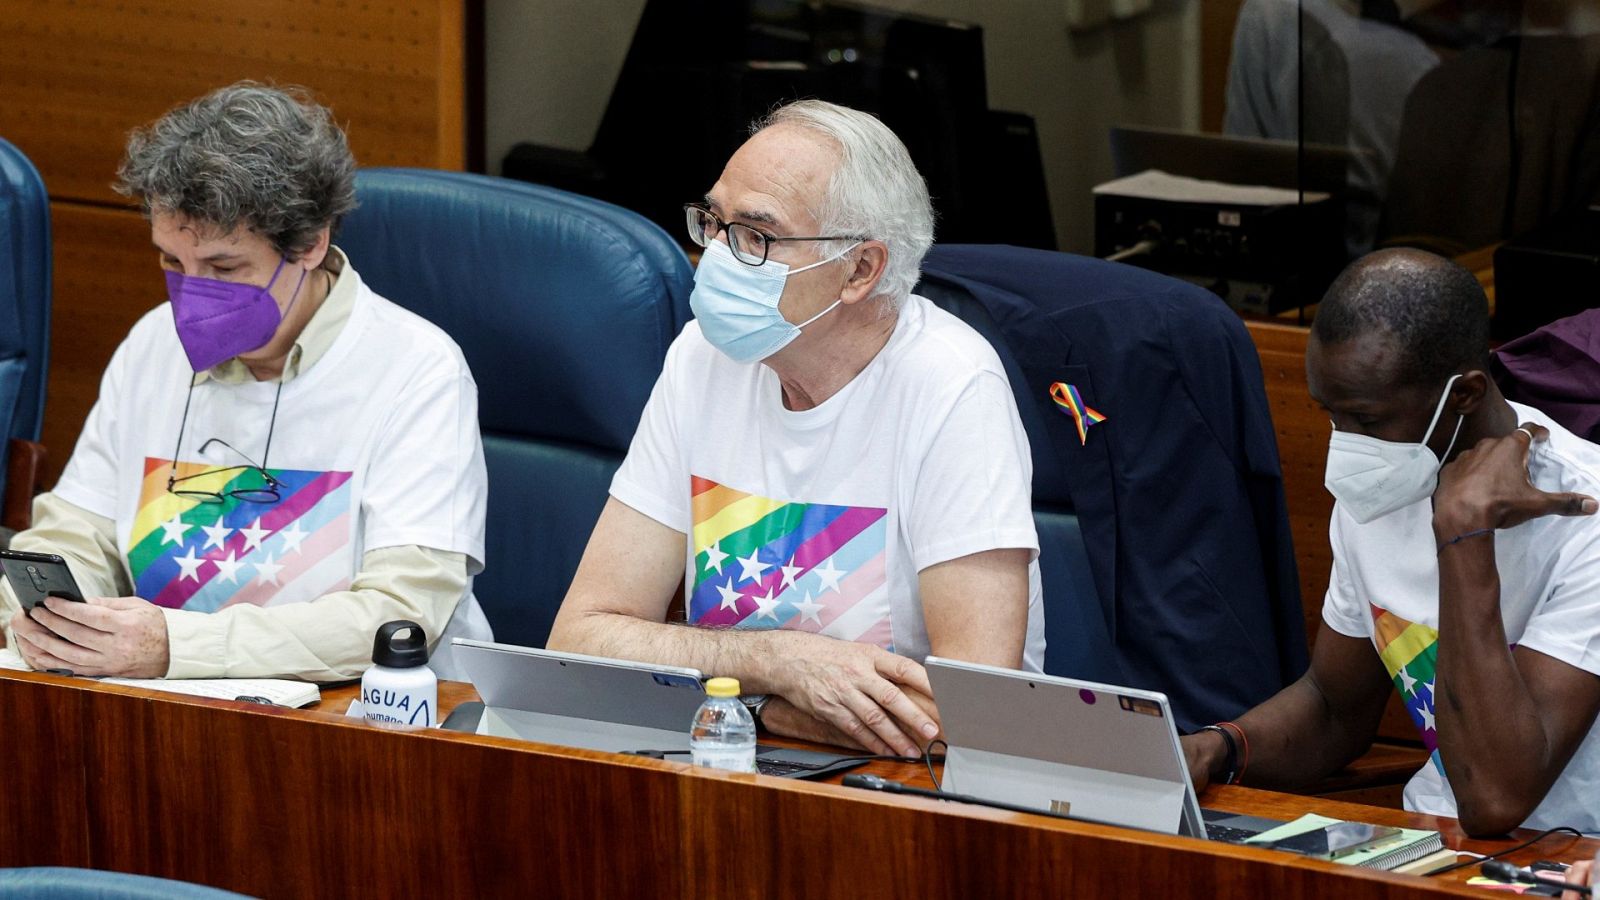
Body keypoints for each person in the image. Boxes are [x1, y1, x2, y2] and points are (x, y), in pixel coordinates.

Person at [547, 100, 1043, 759]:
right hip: (729, 766)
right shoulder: (702, 357)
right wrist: (778, 665)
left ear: (860, 270)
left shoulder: (951, 385)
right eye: (714, 222)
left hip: (912, 795)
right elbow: (580, 640)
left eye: (755, 236)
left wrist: (748, 704)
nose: (715, 256)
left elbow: (972, 711)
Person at [0, 82, 490, 681]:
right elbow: (82, 532)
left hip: (364, 728)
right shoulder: (154, 343)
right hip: (160, 707)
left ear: (311, 243)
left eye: (224, 268)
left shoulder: (418, 369)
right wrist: (38, 613)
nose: (191, 293)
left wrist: (175, 647)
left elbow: (399, 618)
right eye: (172, 262)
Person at [1182, 248, 1600, 837]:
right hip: (1426, 840)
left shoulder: (1588, 520)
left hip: (1566, 857)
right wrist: (1218, 749)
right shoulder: (1381, 484)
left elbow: (1496, 799)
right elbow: (1334, 707)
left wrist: (1462, 533)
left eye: (1368, 421)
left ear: (1465, 395)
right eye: (1331, 415)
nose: (1347, 446)